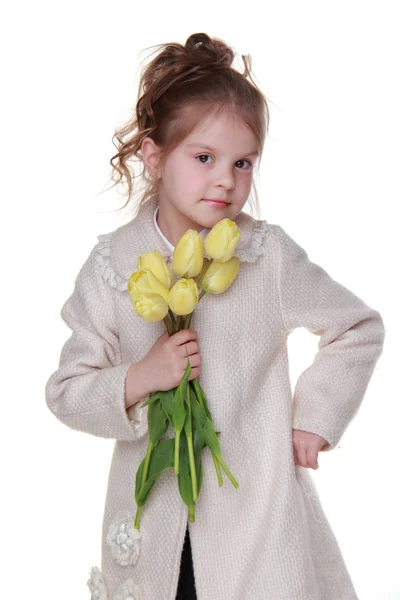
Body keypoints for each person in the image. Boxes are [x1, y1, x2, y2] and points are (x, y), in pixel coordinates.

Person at [45, 32, 386, 600]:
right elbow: (67, 391)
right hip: (152, 521)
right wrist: (139, 378)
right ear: (155, 157)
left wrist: (314, 417)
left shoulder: (264, 255)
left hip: (255, 514)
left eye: (244, 162)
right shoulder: (112, 266)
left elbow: (357, 326)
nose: (227, 180)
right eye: (204, 158)